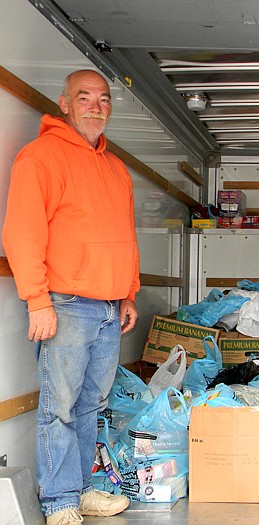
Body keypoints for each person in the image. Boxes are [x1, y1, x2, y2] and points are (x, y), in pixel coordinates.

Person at [3, 70, 140, 525]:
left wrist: (128, 293)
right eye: (84, 97)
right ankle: (59, 500)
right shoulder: (41, 157)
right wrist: (37, 299)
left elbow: (125, 236)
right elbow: (22, 232)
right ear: (64, 103)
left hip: (106, 308)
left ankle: (81, 492)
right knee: (58, 406)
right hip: (66, 304)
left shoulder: (115, 168)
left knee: (91, 405)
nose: (95, 106)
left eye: (103, 99)